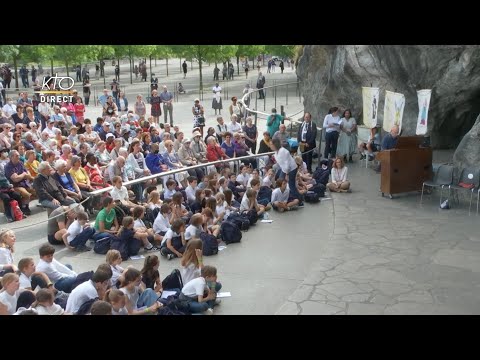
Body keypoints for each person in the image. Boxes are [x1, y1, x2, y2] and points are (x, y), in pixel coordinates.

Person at [271, 138, 303, 205]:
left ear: (275, 145)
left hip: (291, 169)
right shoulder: (276, 153)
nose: (270, 146)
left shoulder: (284, 151)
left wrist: (287, 173)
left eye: (271, 144)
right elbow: (281, 164)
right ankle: (279, 197)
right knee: (279, 181)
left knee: (291, 185)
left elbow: (287, 164)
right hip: (284, 169)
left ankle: (299, 199)